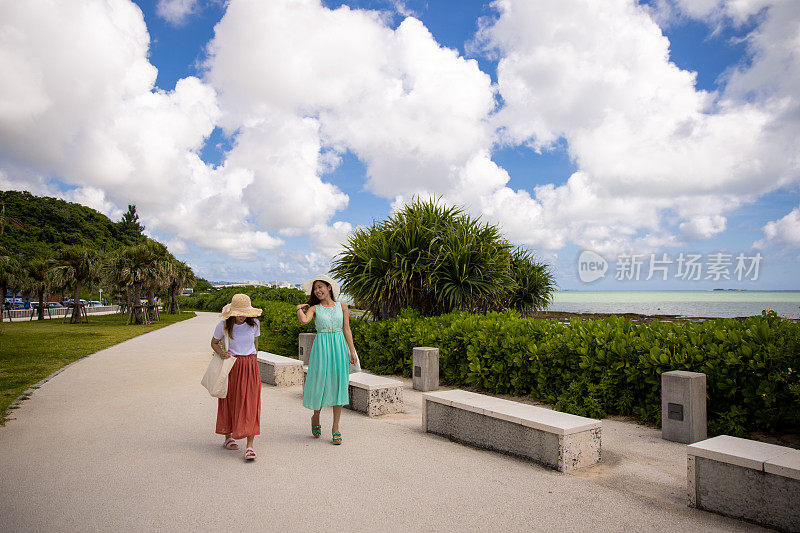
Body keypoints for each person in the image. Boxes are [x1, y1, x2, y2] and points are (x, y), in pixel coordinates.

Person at [296, 275, 356, 445]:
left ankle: (335, 428)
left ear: (329, 287)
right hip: (321, 349)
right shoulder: (314, 309)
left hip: (339, 348)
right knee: (319, 384)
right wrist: (298, 308)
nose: (318, 290)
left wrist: (352, 352)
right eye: (315, 288)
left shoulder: (342, 306)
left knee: (339, 386)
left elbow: (347, 330)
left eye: (321, 286)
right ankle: (316, 416)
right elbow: (304, 321)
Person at [210, 293, 262, 461]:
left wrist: (252, 360)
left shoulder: (254, 324)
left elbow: (255, 346)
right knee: (230, 399)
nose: (242, 316)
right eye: (239, 313)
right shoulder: (224, 325)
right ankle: (228, 436)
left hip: (250, 365)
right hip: (232, 365)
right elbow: (213, 343)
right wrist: (222, 353)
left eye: (245, 312)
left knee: (251, 403)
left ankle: (250, 445)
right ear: (232, 312)